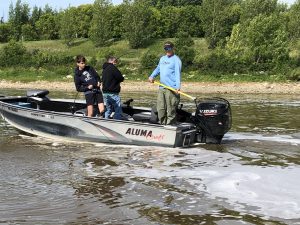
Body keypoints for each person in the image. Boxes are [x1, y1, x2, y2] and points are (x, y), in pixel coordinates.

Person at [148, 41, 182, 125]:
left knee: (171, 109)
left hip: (171, 88)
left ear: (173, 48)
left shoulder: (176, 60)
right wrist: (152, 76)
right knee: (161, 109)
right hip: (161, 88)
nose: (168, 50)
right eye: (166, 48)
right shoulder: (162, 59)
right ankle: (162, 124)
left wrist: (178, 86)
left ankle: (170, 125)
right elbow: (158, 69)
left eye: (169, 48)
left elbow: (178, 74)